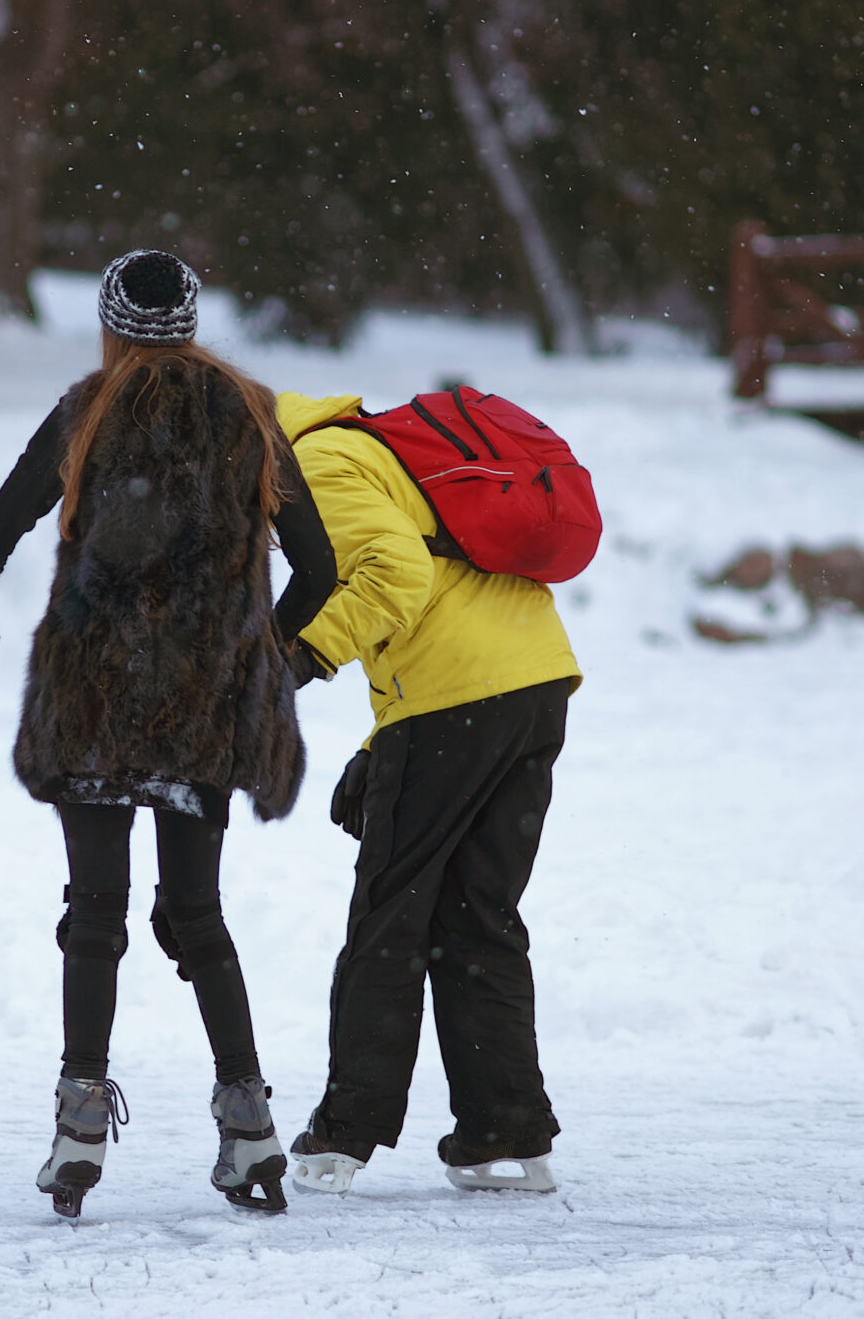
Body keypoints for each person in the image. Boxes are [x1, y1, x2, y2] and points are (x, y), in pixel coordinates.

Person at [0, 251, 337, 1218]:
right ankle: (251, 1132)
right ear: (191, 323)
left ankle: (78, 1132)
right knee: (197, 915)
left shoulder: (88, 412)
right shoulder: (251, 414)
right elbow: (318, 569)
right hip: (203, 708)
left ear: (110, 325)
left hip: (94, 702)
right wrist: (257, 655)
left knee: (96, 911)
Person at [276, 390, 582, 1196]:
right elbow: (438, 571)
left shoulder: (314, 462)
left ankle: (343, 1134)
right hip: (533, 678)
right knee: (478, 912)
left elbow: (398, 576)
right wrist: (382, 741)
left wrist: (296, 662)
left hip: (454, 695)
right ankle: (505, 1135)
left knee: (389, 910)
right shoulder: (368, 446)